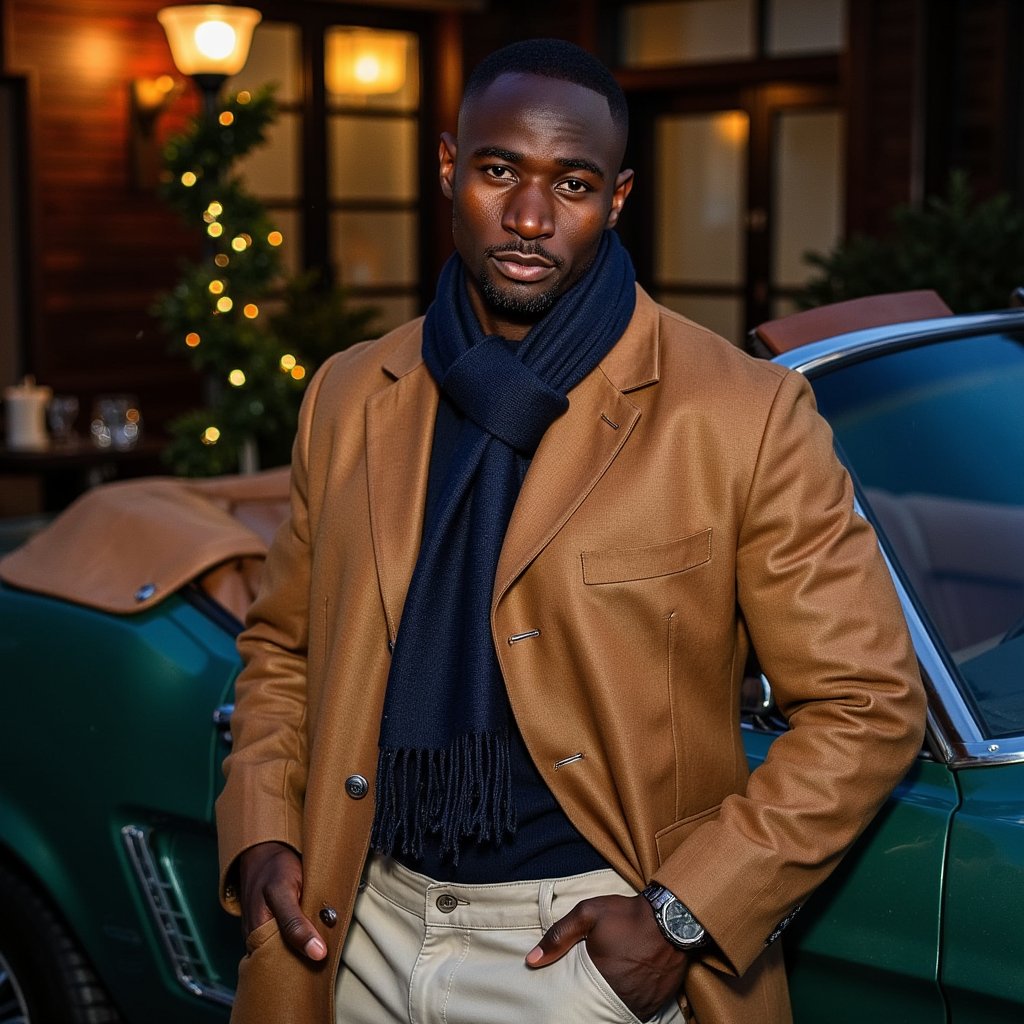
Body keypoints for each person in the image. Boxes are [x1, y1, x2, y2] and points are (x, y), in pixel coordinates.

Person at [216, 38, 926, 1024]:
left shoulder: (737, 413)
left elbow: (867, 702)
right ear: (447, 168)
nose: (529, 217)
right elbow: (284, 646)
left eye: (573, 183)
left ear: (619, 197)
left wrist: (679, 916)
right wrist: (259, 832)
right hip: (353, 928)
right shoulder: (349, 393)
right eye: (499, 170)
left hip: (580, 951)